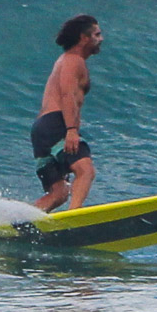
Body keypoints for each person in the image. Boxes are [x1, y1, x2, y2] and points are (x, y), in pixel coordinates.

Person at [30, 14, 102, 212]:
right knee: (85, 171)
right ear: (83, 38)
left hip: (41, 130)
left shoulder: (65, 60)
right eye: (97, 34)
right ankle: (74, 215)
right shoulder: (73, 60)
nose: (101, 39)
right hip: (57, 123)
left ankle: (20, 222)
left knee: (59, 192)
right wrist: (71, 130)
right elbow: (67, 94)